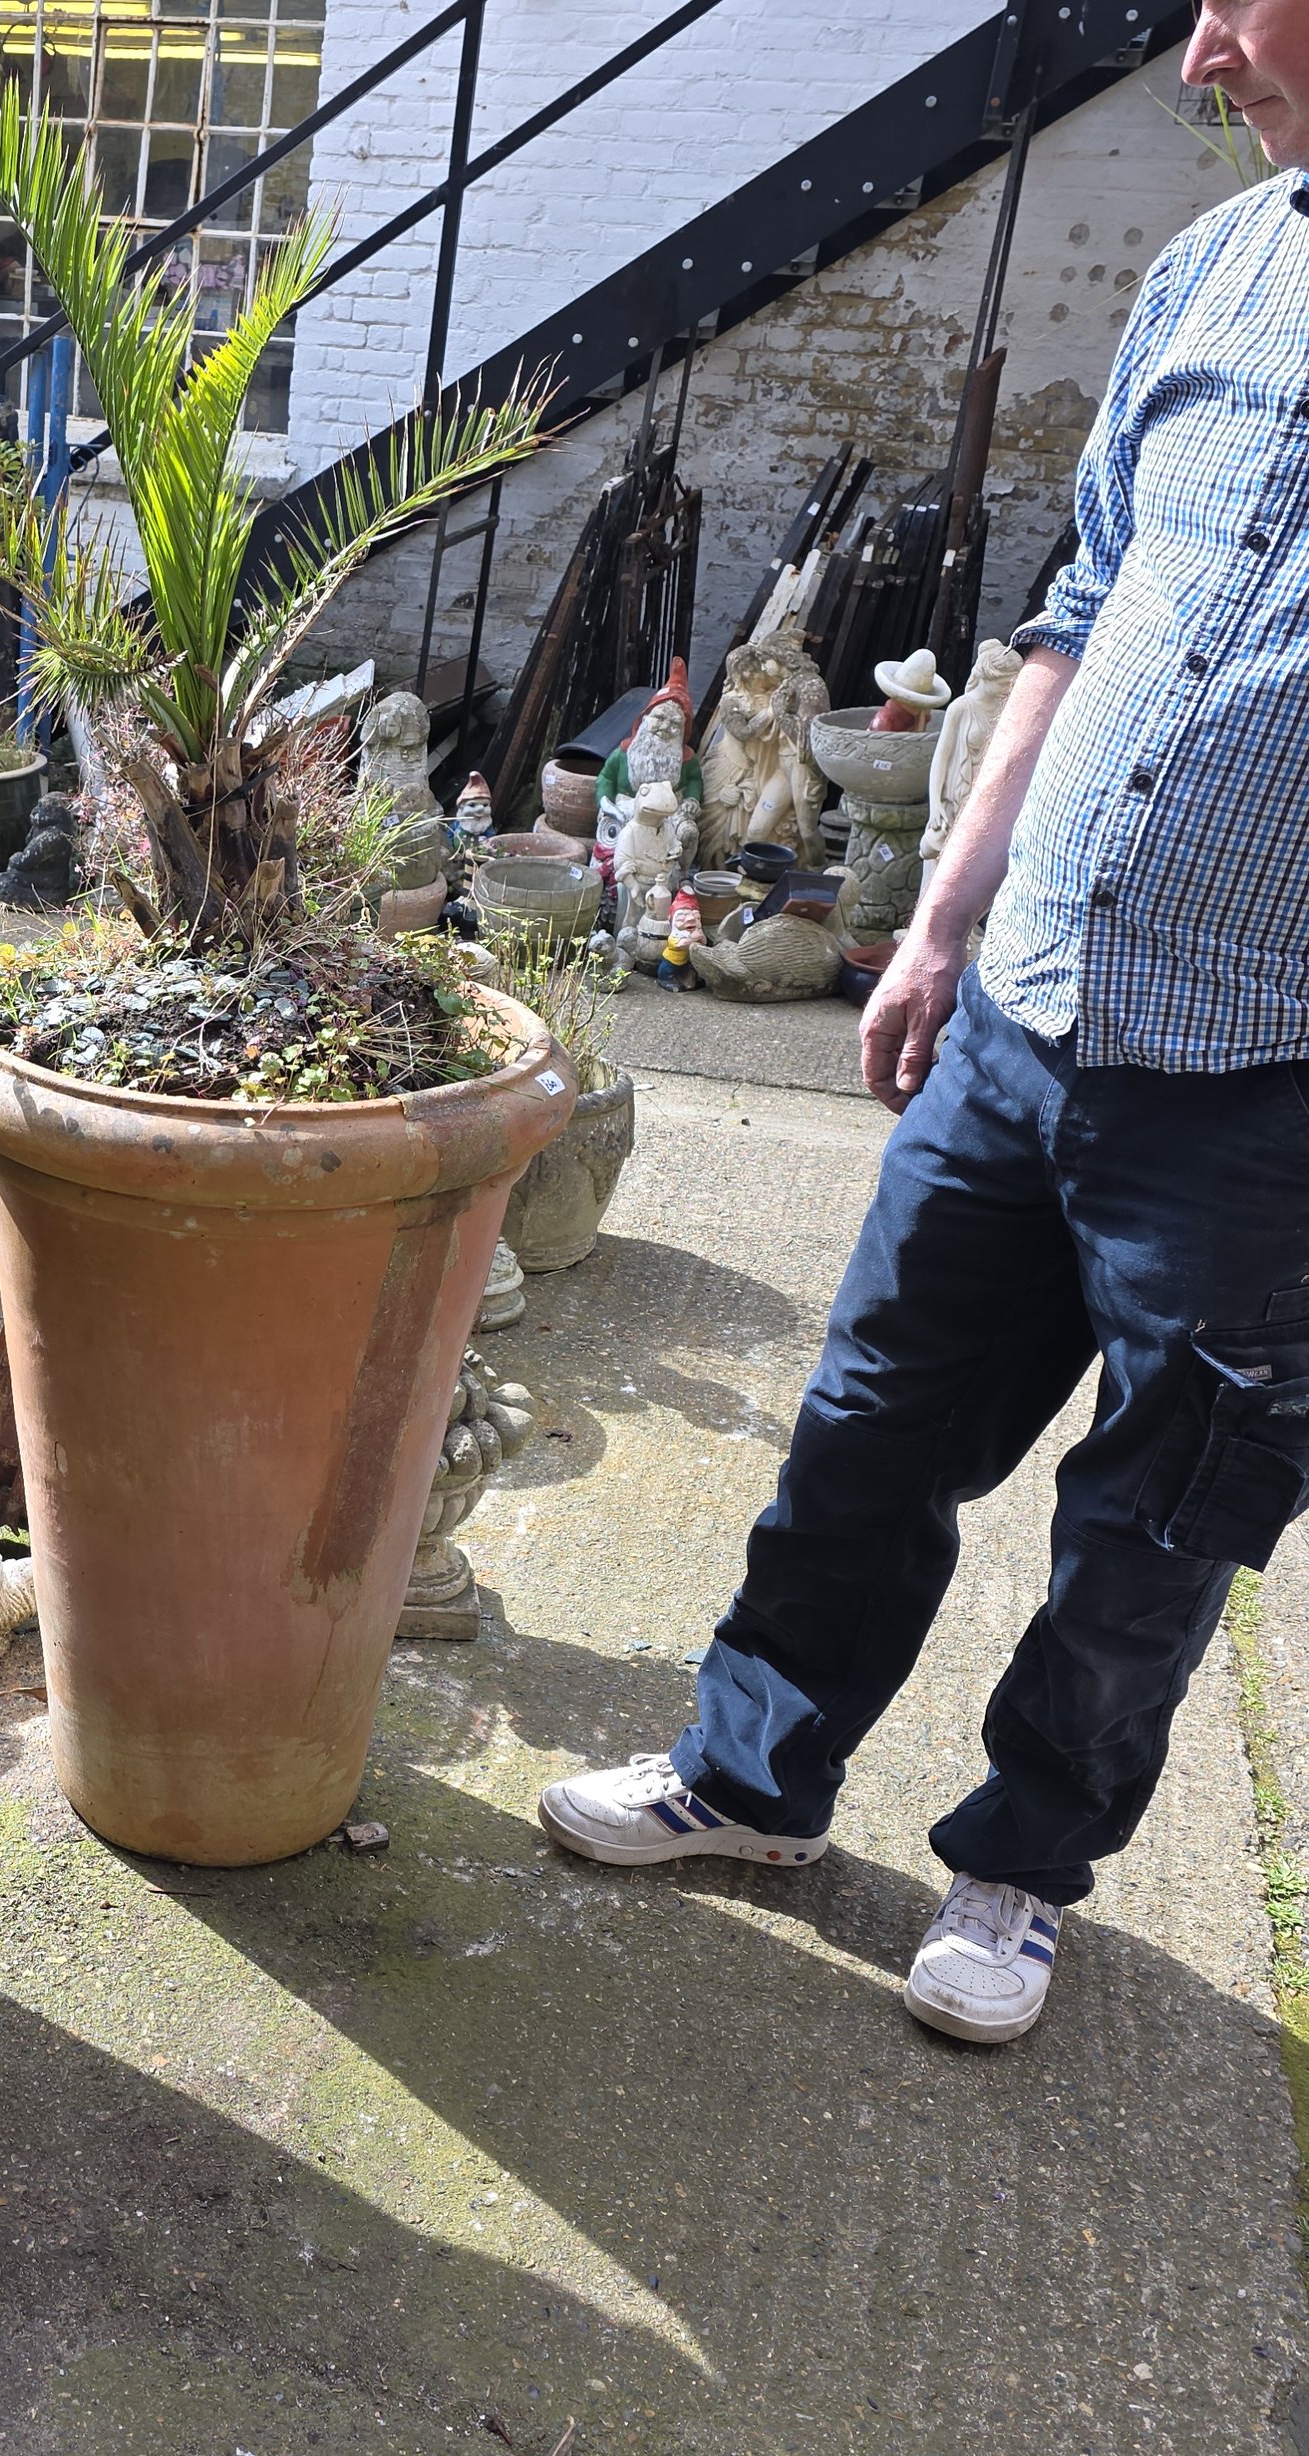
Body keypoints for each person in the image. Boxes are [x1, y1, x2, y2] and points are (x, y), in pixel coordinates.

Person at [539, 3, 1309, 2046]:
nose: (1197, 56)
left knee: (1157, 1512)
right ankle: (747, 1774)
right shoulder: (1216, 264)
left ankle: (1015, 1868)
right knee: (869, 1421)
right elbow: (1077, 613)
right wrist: (942, 915)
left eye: (1233, 0)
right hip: (1032, 998)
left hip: (1265, 1083)